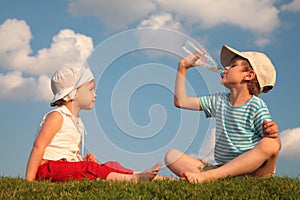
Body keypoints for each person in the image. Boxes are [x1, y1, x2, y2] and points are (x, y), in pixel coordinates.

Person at [25, 64, 162, 182]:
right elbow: (38, 146)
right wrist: (30, 179)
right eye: (90, 89)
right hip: (48, 169)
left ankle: (142, 175)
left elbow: (70, 153)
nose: (95, 94)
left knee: (110, 164)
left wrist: (83, 160)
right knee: (89, 169)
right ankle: (133, 179)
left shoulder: (75, 122)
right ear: (73, 93)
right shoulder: (57, 116)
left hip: (64, 168)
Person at [164, 45, 281, 183]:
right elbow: (181, 101)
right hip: (223, 169)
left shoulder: (256, 105)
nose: (225, 68)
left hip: (254, 172)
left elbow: (269, 135)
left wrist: (271, 131)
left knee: (272, 144)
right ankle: (211, 178)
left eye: (232, 66)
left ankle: (206, 177)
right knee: (171, 156)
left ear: (249, 75)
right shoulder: (219, 101)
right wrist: (182, 67)